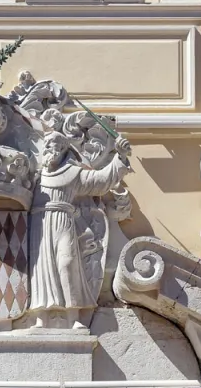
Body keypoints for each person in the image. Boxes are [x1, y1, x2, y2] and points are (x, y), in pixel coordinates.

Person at [30, 131, 132, 328]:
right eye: (47, 146)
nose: (50, 150)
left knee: (67, 264)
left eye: (54, 146)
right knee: (41, 269)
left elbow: (100, 181)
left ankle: (74, 316)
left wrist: (120, 157)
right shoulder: (36, 177)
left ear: (62, 149)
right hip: (39, 223)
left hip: (63, 221)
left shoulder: (72, 174)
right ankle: (41, 317)